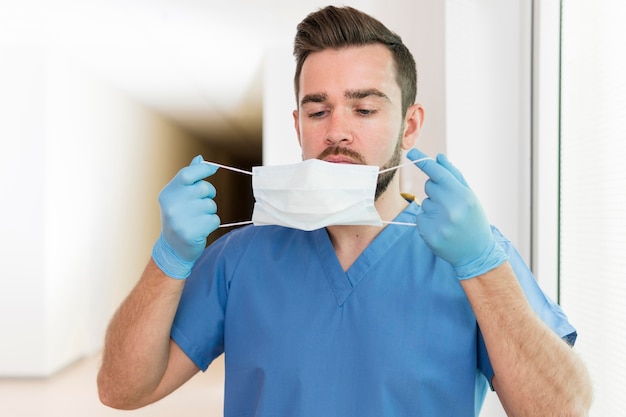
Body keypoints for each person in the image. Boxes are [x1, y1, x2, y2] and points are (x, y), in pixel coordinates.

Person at [97, 5, 592, 416]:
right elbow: (121, 390)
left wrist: (482, 267)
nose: (337, 130)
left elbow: (561, 409)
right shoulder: (239, 258)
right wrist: (168, 259)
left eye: (365, 108)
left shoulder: (476, 255)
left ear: (410, 125)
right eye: (318, 110)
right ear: (298, 125)